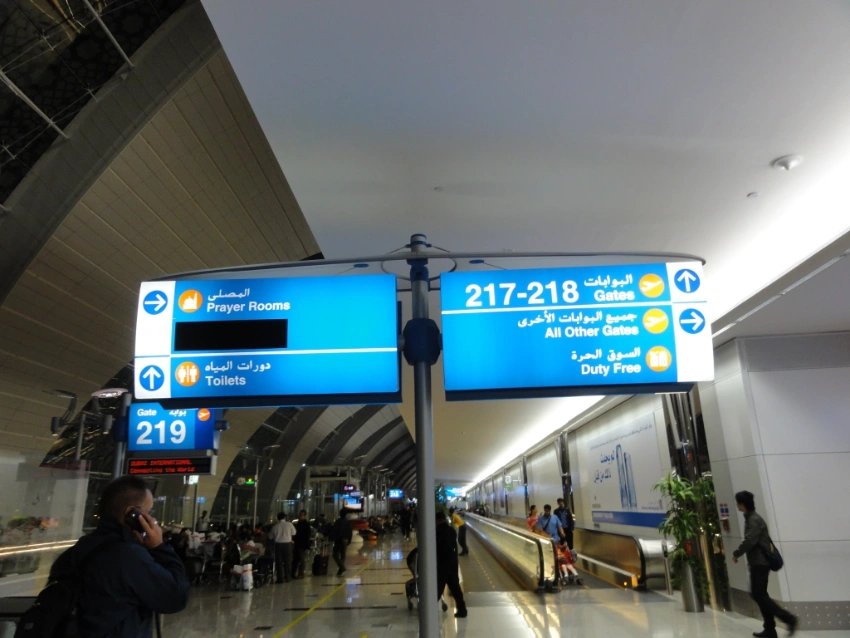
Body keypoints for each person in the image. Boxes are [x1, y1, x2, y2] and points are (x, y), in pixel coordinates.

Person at [49, 475, 189, 637]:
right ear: (132, 514)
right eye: (148, 512)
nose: (152, 519)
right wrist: (159, 547)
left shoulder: (77, 550)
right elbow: (176, 597)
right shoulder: (128, 556)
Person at [732, 491, 797, 638]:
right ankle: (769, 629)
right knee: (760, 594)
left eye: (738, 502)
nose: (736, 505)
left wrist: (737, 553)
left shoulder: (754, 519)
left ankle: (788, 619)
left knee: (758, 594)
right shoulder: (750, 518)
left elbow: (750, 540)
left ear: (742, 504)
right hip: (757, 562)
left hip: (761, 562)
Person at [436, 511, 467, 618]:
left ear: (437, 520)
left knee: (438, 588)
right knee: (455, 588)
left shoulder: (437, 531)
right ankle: (462, 610)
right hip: (453, 562)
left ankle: (428, 611)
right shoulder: (451, 530)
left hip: (442, 563)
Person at [269, 512, 296, 583]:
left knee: (279, 562)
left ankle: (280, 578)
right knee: (288, 561)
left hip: (278, 545)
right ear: (285, 517)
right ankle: (288, 577)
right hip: (288, 545)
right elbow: (294, 533)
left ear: (278, 518)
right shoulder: (289, 524)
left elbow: (270, 536)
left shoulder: (275, 526)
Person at [329, 509, 352, 576]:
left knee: (335, 555)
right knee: (343, 555)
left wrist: (332, 538)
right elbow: (350, 532)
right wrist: (349, 540)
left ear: (340, 514)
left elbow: (334, 530)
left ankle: (342, 567)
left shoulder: (338, 521)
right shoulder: (348, 522)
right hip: (345, 540)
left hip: (339, 540)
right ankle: (340, 570)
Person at [292, 510, 312, 579]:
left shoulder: (306, 524)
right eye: (299, 515)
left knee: (301, 559)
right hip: (297, 544)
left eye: (301, 515)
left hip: (302, 544)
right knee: (296, 559)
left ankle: (300, 574)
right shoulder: (298, 523)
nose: (300, 516)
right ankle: (293, 573)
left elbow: (307, 535)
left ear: (304, 516)